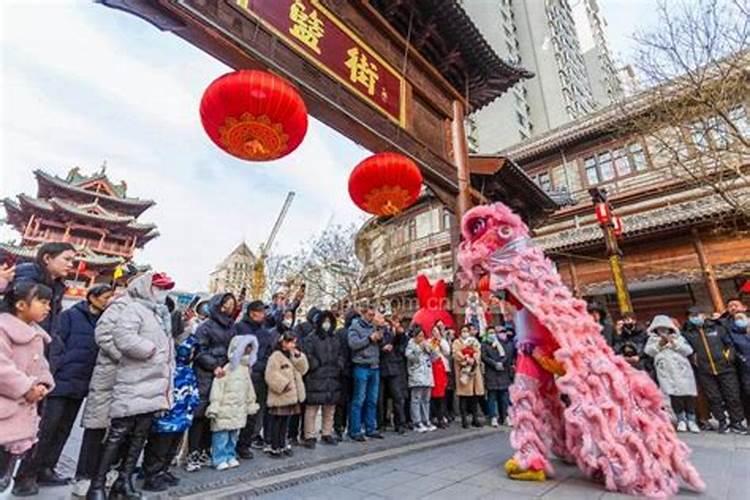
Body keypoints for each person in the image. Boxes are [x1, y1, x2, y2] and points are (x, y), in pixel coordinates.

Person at [13, 285, 113, 495]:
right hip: (60, 381)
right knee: (46, 430)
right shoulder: (70, 316)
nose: (108, 301)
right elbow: (56, 346)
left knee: (63, 430)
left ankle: (48, 468)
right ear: (92, 297)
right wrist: (55, 372)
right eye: (105, 297)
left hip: (81, 383)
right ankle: (26, 475)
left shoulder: (104, 321)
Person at [85, 272, 176, 500]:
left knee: (138, 436)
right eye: (159, 287)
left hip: (153, 383)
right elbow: (115, 336)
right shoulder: (130, 307)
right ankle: (96, 484)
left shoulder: (160, 314)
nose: (162, 292)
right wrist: (141, 354)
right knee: (116, 433)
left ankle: (123, 482)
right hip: (129, 378)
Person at [0, 282, 55, 494]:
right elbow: (2, 368)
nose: (47, 307)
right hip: (6, 407)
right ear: (21, 304)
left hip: (20, 412)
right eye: (42, 302)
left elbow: (42, 366)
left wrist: (42, 385)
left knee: (7, 469)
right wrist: (26, 388)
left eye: (49, 303)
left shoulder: (36, 334)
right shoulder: (4, 329)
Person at [141, 304, 200, 492]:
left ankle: (164, 467)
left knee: (177, 431)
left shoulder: (191, 335)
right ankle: (152, 471)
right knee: (163, 431)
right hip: (169, 383)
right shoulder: (166, 340)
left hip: (185, 384)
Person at [187, 293, 237, 471]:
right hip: (206, 374)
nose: (229, 308)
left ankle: (205, 450)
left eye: (231, 305)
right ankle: (192, 452)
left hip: (225, 374)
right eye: (226, 305)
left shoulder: (232, 327)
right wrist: (214, 365)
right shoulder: (205, 327)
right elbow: (200, 350)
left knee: (215, 414)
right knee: (200, 414)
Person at [682, 306, 747, 434]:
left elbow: (730, 344)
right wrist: (695, 360)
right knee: (714, 398)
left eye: (697, 314)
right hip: (705, 371)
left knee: (732, 396)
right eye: (691, 316)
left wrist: (729, 358)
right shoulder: (688, 333)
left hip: (726, 368)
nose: (695, 318)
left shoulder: (717, 327)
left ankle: (737, 422)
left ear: (704, 315)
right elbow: (687, 350)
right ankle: (722, 422)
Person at [206, 335, 260, 470]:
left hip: (238, 408)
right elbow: (218, 387)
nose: (248, 350)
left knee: (233, 435)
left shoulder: (245, 369)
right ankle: (219, 458)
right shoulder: (228, 368)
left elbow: (249, 388)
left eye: (250, 348)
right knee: (221, 435)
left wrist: (251, 402)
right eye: (246, 347)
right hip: (225, 408)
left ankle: (230, 455)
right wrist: (215, 405)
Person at [235, 300, 277, 455]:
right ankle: (229, 444)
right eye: (261, 312)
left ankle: (244, 444)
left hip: (258, 376)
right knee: (236, 409)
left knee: (253, 412)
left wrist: (259, 366)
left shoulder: (265, 333)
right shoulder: (239, 328)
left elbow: (268, 353)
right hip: (240, 373)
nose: (263, 315)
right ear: (252, 313)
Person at [644, 315, 700, 433]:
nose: (662, 331)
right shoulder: (652, 340)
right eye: (659, 328)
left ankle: (691, 419)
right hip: (666, 372)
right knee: (675, 397)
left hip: (682, 371)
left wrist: (674, 343)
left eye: (665, 328)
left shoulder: (679, 338)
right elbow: (648, 352)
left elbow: (688, 350)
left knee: (688, 396)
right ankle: (681, 420)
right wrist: (660, 344)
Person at [11, 242, 75, 339]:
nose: (71, 265)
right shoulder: (27, 277)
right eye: (66, 259)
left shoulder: (58, 286)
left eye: (72, 261)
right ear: (47, 258)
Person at [301, 310, 343, 448]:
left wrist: (338, 365)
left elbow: (341, 354)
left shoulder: (335, 338)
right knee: (312, 408)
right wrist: (315, 365)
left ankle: (327, 433)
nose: (327, 324)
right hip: (316, 377)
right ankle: (309, 435)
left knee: (330, 408)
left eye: (329, 321)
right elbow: (307, 354)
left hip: (332, 376)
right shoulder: (311, 338)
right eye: (324, 321)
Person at [265, 331, 309, 457]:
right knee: (277, 421)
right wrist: (284, 384)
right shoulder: (275, 356)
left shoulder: (292, 355)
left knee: (285, 422)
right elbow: (270, 374)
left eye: (294, 342)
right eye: (290, 342)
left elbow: (303, 369)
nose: (293, 345)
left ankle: (283, 444)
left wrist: (299, 357)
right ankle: (275, 446)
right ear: (283, 343)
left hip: (291, 395)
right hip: (281, 394)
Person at [347, 305, 384, 441]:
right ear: (363, 314)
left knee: (372, 400)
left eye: (373, 315)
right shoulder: (355, 326)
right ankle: (355, 430)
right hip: (361, 366)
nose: (372, 317)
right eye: (369, 315)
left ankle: (371, 428)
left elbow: (382, 342)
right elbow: (353, 344)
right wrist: (369, 339)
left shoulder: (375, 326)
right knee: (358, 400)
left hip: (375, 366)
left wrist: (381, 334)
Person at [378, 317, 408, 434]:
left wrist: (399, 334)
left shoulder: (397, 333)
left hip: (394, 368)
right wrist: (382, 348)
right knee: (381, 399)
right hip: (381, 367)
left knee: (397, 397)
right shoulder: (378, 331)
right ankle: (381, 423)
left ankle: (400, 423)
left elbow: (403, 345)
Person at [482, 326, 515, 427]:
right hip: (491, 373)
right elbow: (484, 357)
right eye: (490, 332)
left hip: (503, 372)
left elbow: (507, 355)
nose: (493, 334)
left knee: (504, 397)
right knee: (491, 396)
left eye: (494, 332)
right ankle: (493, 417)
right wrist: (494, 364)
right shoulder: (484, 345)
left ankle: (505, 416)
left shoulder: (504, 344)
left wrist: (501, 363)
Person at [452, 325, 485, 428]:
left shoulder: (473, 341)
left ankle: (475, 418)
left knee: (475, 397)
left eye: (467, 331)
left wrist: (474, 358)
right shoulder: (457, 342)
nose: (465, 333)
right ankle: (464, 420)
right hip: (464, 371)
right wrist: (465, 358)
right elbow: (455, 354)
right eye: (463, 331)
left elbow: (478, 352)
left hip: (474, 371)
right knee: (464, 397)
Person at [405, 326, 436, 432]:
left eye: (423, 336)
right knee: (416, 399)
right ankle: (416, 422)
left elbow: (435, 359)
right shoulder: (411, 345)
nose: (421, 338)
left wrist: (431, 350)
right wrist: (419, 349)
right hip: (416, 375)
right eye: (419, 336)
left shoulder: (426, 344)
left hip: (427, 375)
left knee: (426, 400)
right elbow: (411, 358)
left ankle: (426, 419)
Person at [334, 309, 358, 439]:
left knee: (342, 401)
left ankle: (339, 426)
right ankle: (348, 426)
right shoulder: (352, 333)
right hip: (351, 369)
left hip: (344, 370)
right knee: (350, 400)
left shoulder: (340, 333)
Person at [728, 311, 750, 421]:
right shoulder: (733, 335)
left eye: (741, 317)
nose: (739, 320)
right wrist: (742, 359)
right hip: (744, 369)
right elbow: (734, 352)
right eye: (737, 319)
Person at [429, 325, 450, 429]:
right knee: (433, 395)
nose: (435, 333)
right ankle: (434, 416)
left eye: (436, 331)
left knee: (442, 395)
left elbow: (447, 352)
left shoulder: (443, 341)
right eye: (433, 331)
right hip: (432, 369)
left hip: (442, 368)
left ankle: (442, 416)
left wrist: (440, 341)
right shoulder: (429, 342)